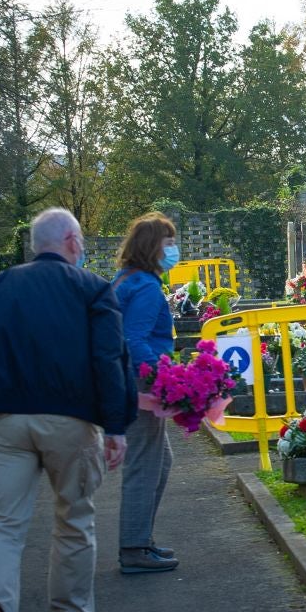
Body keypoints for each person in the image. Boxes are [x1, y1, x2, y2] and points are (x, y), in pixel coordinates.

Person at [0, 208, 133, 612]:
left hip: (5, 420)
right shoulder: (93, 288)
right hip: (71, 421)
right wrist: (115, 426)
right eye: (83, 239)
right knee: (74, 517)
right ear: (72, 241)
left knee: (1, 525)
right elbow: (109, 358)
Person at [112, 212, 181, 574]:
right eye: (168, 244)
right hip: (141, 380)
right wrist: (162, 378)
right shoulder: (147, 288)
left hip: (130, 378)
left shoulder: (128, 279)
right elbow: (134, 340)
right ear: (151, 247)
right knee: (144, 464)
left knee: (161, 461)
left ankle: (141, 539)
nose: (174, 250)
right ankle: (134, 548)